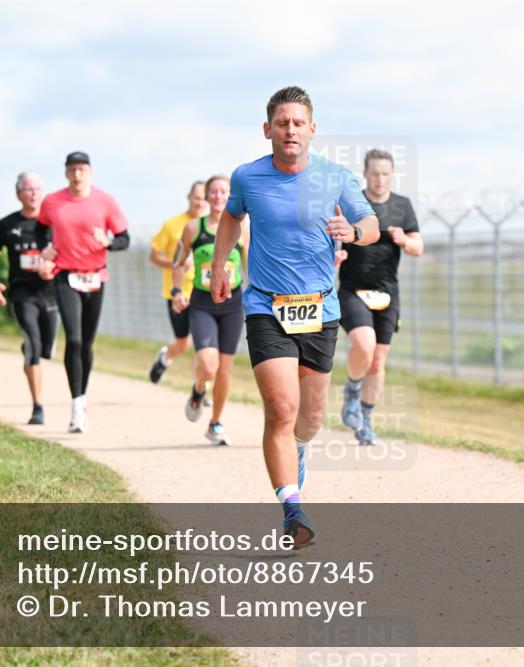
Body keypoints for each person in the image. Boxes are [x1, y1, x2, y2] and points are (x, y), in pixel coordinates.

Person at [209, 86, 378, 546]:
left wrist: (354, 230)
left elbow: (371, 225)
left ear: (312, 129)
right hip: (266, 305)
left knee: (311, 417)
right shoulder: (247, 177)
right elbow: (231, 218)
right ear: (268, 129)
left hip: (320, 307)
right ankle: (292, 511)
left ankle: (299, 451)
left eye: (298, 123)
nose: (290, 130)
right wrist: (221, 266)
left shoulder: (337, 177)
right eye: (282, 123)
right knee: (281, 409)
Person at [36, 151, 130, 433]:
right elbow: (40, 229)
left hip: (95, 278)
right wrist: (45, 249)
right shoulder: (52, 201)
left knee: (86, 344)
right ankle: (76, 405)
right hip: (65, 276)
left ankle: (82, 397)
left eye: (82, 169)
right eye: (72, 169)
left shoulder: (105, 201)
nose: (77, 174)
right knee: (74, 340)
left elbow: (124, 238)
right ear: (66, 173)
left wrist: (109, 242)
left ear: (89, 172)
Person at [336, 148, 424, 445]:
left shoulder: (402, 206)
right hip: (352, 289)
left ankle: (366, 421)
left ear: (393, 174)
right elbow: (332, 238)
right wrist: (336, 254)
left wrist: (404, 240)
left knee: (377, 360)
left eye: (385, 173)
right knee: (364, 345)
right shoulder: (352, 204)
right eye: (374, 173)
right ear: (365, 174)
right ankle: (351, 390)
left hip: (387, 291)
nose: (380, 178)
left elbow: (418, 247)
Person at [171, 174, 249, 446]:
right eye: (213, 192)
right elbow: (178, 262)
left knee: (225, 370)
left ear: (231, 196)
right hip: (202, 303)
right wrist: (177, 291)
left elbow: (248, 266)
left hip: (233, 305)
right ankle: (198, 389)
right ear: (206, 197)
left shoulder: (243, 228)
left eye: (223, 192)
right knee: (207, 364)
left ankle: (215, 423)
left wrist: (257, 295)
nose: (218, 197)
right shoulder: (194, 228)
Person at [0, 171, 58, 425]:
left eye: (37, 188)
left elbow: (70, 252)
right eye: (28, 189)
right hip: (22, 293)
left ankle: (32, 349)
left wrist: (53, 269)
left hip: (50, 294)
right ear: (18, 194)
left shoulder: (55, 223)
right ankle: (38, 406)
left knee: (47, 349)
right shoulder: (7, 225)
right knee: (34, 346)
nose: (33, 193)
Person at [148, 181, 207, 383]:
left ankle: (200, 387)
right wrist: (177, 263)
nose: (200, 202)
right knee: (183, 344)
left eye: (203, 198)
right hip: (177, 292)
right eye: (196, 197)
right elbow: (154, 256)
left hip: (203, 291)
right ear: (189, 198)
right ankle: (165, 358)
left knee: (203, 343)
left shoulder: (213, 226)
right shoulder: (172, 224)